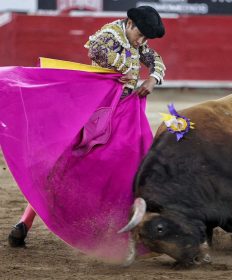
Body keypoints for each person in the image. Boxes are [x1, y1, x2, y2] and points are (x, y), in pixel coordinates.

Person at [8, 5, 166, 248]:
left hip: (122, 109)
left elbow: (152, 58)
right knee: (63, 167)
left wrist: (153, 78)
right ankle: (24, 222)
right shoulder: (110, 35)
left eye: (146, 38)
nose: (142, 41)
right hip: (94, 110)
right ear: (131, 24)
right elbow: (97, 50)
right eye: (140, 35)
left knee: (136, 160)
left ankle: (125, 228)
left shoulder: (136, 38)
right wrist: (126, 69)